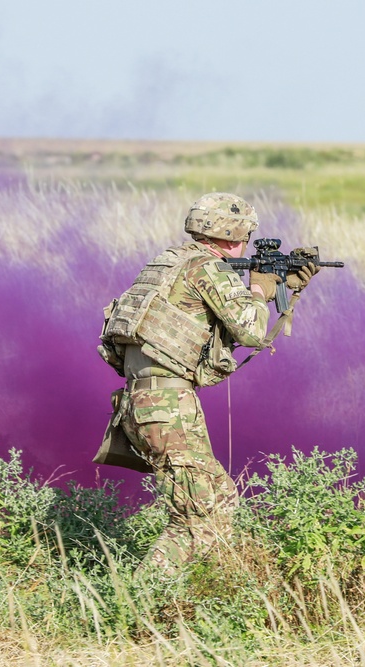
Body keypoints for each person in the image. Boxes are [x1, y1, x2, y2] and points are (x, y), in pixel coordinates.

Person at [94, 192, 318, 576]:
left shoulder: (168, 264)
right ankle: (138, 601)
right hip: (166, 406)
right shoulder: (207, 270)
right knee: (199, 516)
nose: (246, 243)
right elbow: (250, 329)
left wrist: (276, 281)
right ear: (233, 236)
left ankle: (201, 586)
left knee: (218, 499)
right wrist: (261, 289)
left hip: (146, 402)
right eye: (245, 235)